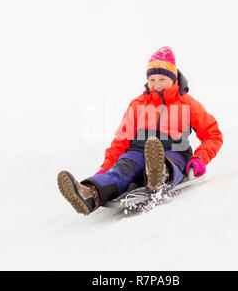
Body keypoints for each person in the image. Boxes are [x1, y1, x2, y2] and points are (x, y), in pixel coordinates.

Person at [57, 46, 223, 215]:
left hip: (176, 151)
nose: (157, 85)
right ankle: (90, 193)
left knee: (169, 162)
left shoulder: (187, 103)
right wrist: (106, 168)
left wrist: (200, 158)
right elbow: (121, 140)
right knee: (121, 169)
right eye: (152, 79)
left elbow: (212, 134)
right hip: (138, 150)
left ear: (173, 79)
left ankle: (160, 174)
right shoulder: (138, 104)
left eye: (162, 79)